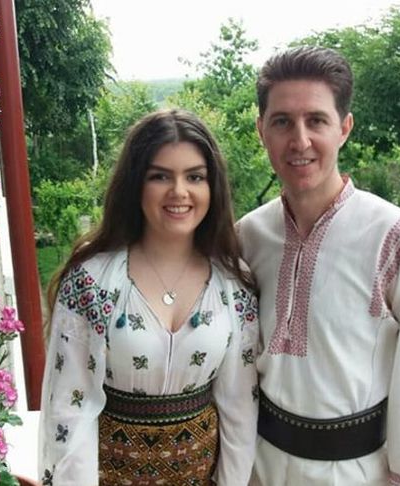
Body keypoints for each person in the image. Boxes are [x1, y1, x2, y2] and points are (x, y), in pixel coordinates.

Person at [238, 46, 400, 485]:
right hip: (259, 467)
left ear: (344, 128)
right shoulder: (247, 236)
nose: (300, 141)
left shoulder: (393, 236)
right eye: (282, 122)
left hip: (356, 473)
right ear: (262, 130)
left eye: (316, 120)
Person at [39, 109, 259, 486]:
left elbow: (239, 406)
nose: (179, 192)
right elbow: (71, 410)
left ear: (213, 187)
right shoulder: (93, 281)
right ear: (135, 184)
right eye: (160, 176)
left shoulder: (233, 283)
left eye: (195, 177)